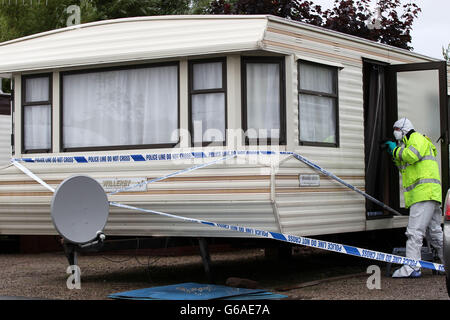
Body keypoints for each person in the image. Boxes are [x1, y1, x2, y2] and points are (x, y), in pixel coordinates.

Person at [384, 117, 444, 278]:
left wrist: (395, 150)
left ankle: (412, 267)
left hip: (423, 194)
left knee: (414, 232)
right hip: (430, 193)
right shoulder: (411, 143)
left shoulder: (416, 138)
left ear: (403, 129)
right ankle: (446, 264)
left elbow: (411, 156)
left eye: (396, 130)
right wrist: (395, 154)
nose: (395, 133)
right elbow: (405, 167)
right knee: (435, 232)